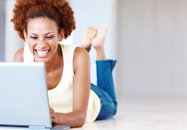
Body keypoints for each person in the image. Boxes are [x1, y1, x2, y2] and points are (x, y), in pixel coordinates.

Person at [11, 0, 117, 128]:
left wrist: (54, 117)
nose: (41, 44)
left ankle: (98, 47)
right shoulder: (21, 58)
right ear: (25, 36)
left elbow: (80, 117)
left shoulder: (79, 56)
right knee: (80, 59)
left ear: (60, 35)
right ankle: (84, 51)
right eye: (34, 37)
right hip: (71, 85)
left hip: (90, 102)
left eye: (49, 36)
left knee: (113, 105)